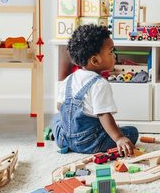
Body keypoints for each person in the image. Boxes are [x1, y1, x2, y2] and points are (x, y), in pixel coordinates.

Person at [52, 24, 138, 155]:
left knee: (56, 118)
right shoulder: (99, 84)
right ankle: (116, 137)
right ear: (95, 60)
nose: (114, 56)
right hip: (90, 143)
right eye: (111, 52)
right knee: (131, 132)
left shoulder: (68, 79)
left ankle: (58, 136)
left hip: (64, 140)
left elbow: (59, 106)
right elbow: (104, 115)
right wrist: (119, 138)